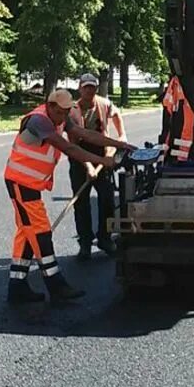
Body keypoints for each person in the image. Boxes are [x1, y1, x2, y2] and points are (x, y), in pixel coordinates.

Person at [5, 88, 134, 303]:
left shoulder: (59, 118)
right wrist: (104, 162)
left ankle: (17, 286)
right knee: (40, 233)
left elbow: (86, 134)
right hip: (20, 182)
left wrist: (118, 144)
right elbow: (69, 148)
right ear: (51, 105)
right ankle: (56, 285)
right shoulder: (40, 121)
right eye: (61, 112)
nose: (64, 117)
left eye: (67, 112)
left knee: (27, 233)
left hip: (29, 183)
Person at [69, 73, 127, 259]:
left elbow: (117, 115)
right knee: (81, 202)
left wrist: (122, 136)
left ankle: (105, 238)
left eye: (92, 87)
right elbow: (73, 145)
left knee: (107, 199)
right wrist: (88, 167)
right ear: (80, 88)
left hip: (103, 155)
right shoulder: (72, 111)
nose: (89, 90)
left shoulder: (104, 103)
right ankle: (85, 242)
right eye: (86, 87)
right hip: (79, 158)